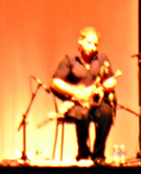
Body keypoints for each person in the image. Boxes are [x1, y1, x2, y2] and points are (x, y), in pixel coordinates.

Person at [50, 27, 118, 164]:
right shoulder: (70, 59)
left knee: (106, 113)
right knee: (82, 114)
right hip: (75, 104)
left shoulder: (102, 58)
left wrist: (103, 88)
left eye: (95, 44)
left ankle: (98, 155)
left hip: (95, 102)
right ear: (80, 41)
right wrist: (77, 92)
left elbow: (112, 80)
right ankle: (83, 154)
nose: (93, 47)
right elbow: (55, 82)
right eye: (89, 43)